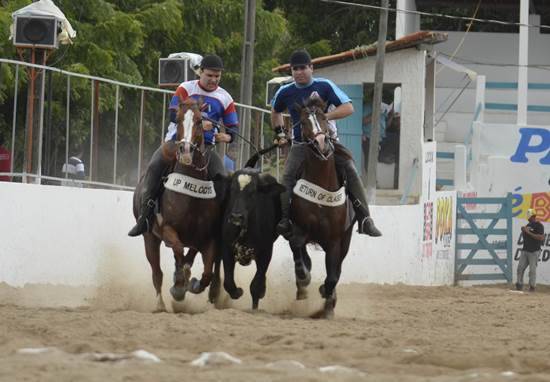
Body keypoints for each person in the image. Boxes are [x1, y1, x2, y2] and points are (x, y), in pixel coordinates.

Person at [271, 49, 381, 238]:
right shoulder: (285, 91)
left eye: (303, 68)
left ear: (311, 68)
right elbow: (275, 111)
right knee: (287, 177)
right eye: (295, 69)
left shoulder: (325, 85)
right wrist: (280, 132)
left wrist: (323, 117)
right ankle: (284, 220)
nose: (299, 72)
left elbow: (349, 107)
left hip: (329, 142)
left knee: (350, 169)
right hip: (300, 145)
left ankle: (365, 219)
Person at [128, 54, 238, 237]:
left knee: (224, 180)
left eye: (217, 76)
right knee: (154, 167)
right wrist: (199, 122)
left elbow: (233, 127)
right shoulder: (185, 88)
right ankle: (145, 217)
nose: (213, 80)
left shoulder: (225, 98)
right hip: (175, 142)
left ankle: (224, 227)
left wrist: (227, 137)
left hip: (205, 149)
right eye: (210, 75)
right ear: (200, 72)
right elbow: (173, 114)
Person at [515, 208, 545, 292]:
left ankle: (532, 287)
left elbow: (541, 237)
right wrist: (523, 230)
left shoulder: (539, 225)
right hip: (525, 250)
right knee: (520, 268)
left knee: (532, 270)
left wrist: (528, 232)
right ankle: (519, 284)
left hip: (534, 251)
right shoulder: (528, 225)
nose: (527, 217)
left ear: (532, 216)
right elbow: (527, 237)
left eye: (528, 215)